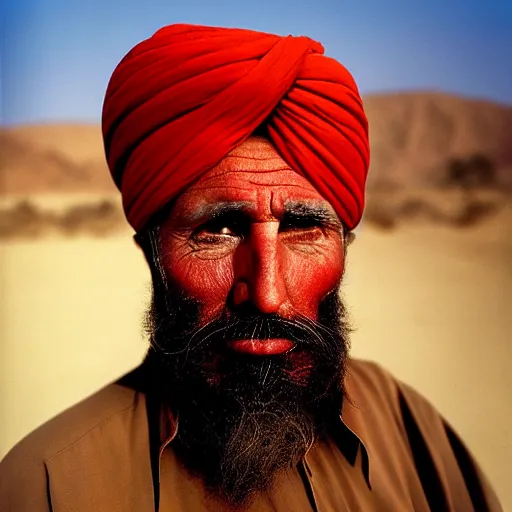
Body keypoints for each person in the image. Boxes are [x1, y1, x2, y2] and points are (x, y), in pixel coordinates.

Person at [0, 23, 503, 512]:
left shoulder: (404, 426)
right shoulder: (51, 487)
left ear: (344, 245)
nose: (266, 294)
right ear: (151, 253)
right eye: (218, 231)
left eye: (303, 228)